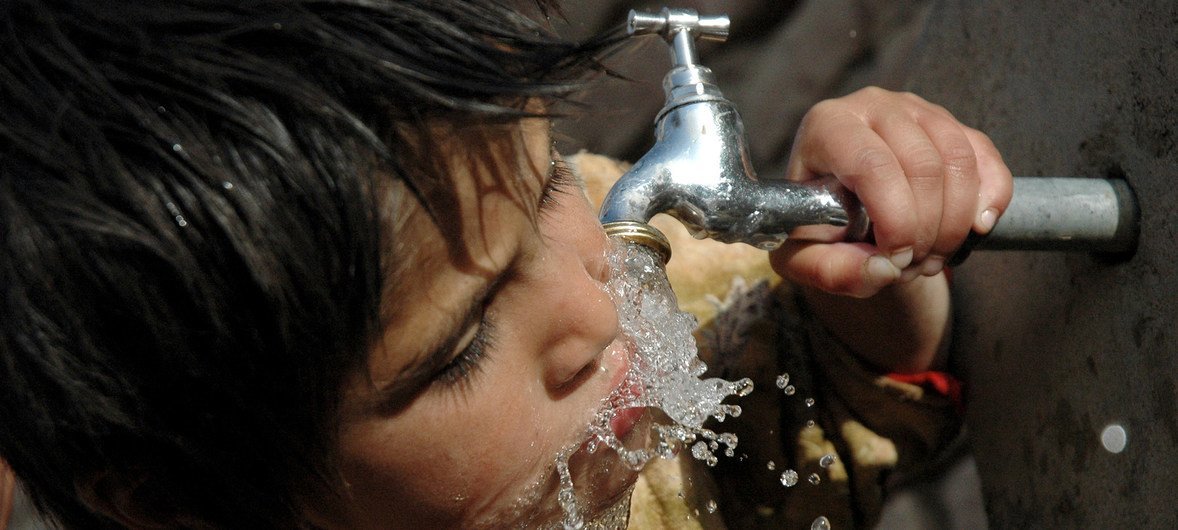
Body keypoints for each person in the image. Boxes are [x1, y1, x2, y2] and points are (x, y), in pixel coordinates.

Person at [0, 1, 1011, 528]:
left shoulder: (638, 270)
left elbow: (828, 416)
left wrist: (872, 273)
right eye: (460, 346)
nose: (589, 305)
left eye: (547, 188)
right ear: (183, 508)